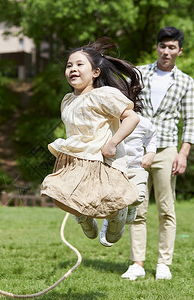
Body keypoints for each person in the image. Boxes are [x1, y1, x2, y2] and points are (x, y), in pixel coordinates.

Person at [41, 37, 143, 245]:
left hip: (102, 158)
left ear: (95, 72)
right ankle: (82, 216)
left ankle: (117, 216)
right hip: (75, 156)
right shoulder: (67, 100)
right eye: (69, 65)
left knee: (107, 202)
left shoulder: (104, 95)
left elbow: (132, 118)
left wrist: (113, 143)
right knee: (55, 192)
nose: (73, 69)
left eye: (79, 64)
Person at [122, 26, 194, 280]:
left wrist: (183, 153)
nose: (166, 51)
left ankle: (164, 263)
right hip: (138, 149)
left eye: (172, 47)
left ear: (179, 51)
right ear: (157, 47)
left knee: (166, 209)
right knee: (137, 207)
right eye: (162, 46)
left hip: (166, 150)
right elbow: (126, 107)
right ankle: (137, 264)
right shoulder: (139, 74)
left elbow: (190, 121)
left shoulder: (186, 82)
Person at [99, 115, 157, 247]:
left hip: (135, 167)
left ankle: (131, 207)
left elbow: (152, 135)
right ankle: (111, 219)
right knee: (113, 200)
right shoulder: (107, 121)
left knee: (138, 197)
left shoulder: (142, 122)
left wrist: (150, 153)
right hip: (114, 168)